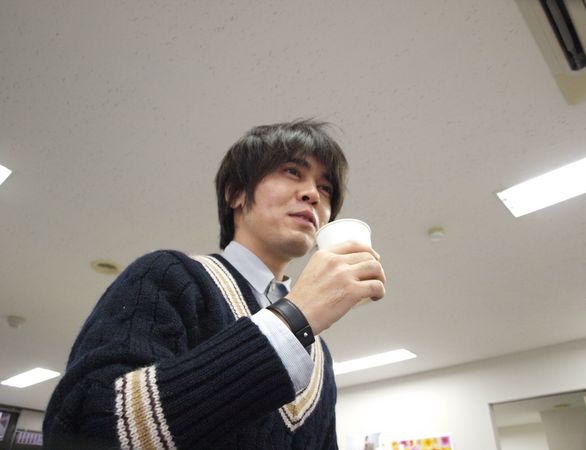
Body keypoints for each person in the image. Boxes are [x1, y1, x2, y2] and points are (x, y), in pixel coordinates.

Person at [43, 119, 386, 449]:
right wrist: (294, 317)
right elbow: (88, 425)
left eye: (326, 188)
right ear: (236, 193)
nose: (313, 194)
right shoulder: (166, 275)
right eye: (292, 172)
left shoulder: (319, 354)